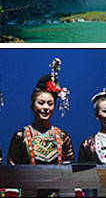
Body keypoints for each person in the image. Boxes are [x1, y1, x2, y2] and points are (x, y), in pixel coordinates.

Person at [7, 58, 73, 197]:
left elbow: (70, 172)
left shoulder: (62, 137)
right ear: (32, 106)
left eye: (50, 104)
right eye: (41, 103)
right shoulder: (21, 136)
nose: (45, 108)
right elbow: (12, 174)